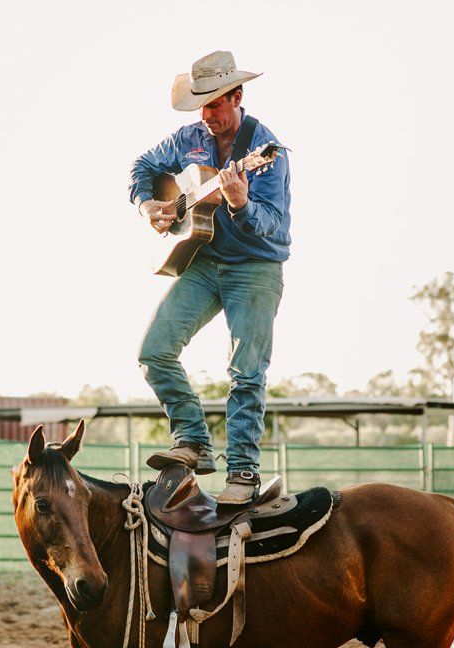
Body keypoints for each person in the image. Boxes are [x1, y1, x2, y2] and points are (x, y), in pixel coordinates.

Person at [130, 50, 291, 504]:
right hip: (202, 261)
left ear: (237, 96)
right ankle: (193, 440)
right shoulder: (190, 138)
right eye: (202, 104)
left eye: (216, 103)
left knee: (245, 372)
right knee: (153, 352)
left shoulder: (267, 153)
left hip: (256, 268)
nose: (207, 114)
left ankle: (242, 474)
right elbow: (142, 168)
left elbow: (275, 224)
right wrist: (150, 205)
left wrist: (240, 204)